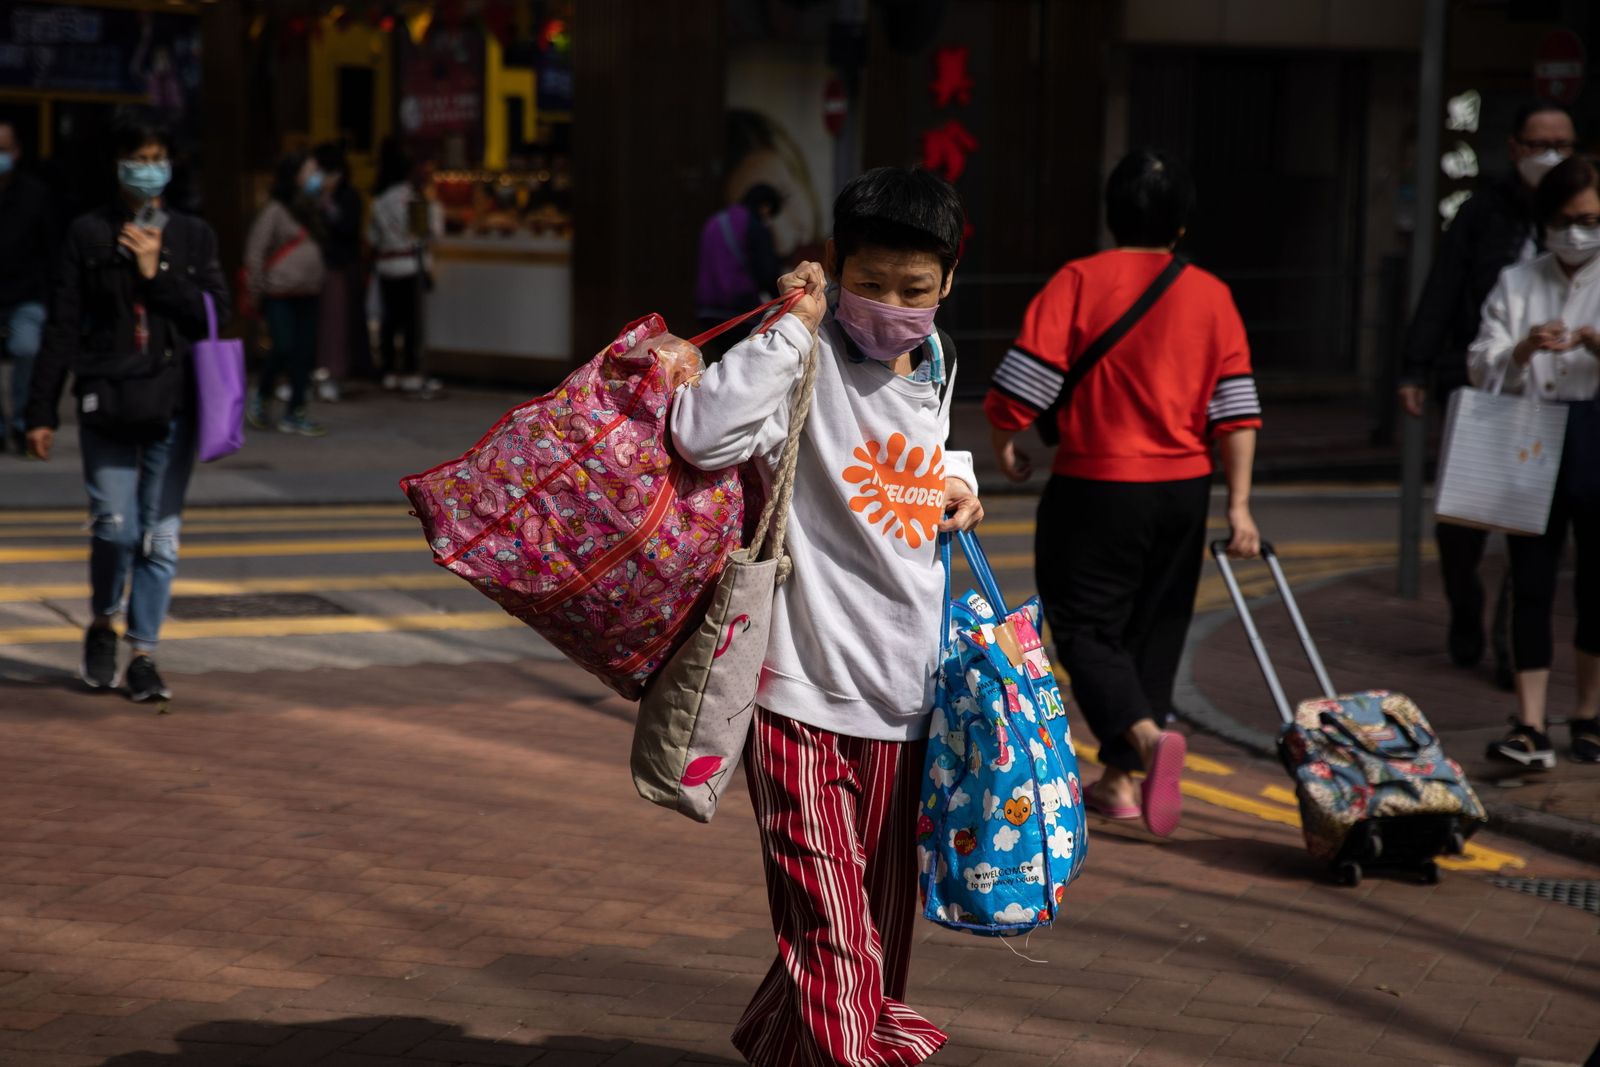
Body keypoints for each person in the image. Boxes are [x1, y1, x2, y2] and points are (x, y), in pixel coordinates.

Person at [671, 166, 982, 1065]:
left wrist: (958, 479)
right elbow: (701, 433)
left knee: (869, 952)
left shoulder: (940, 358)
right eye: (871, 281)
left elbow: (930, 445)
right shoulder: (800, 348)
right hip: (796, 692)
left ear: (948, 282)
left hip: (906, 698)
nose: (891, 304)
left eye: (915, 289)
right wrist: (792, 326)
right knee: (838, 940)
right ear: (836, 265)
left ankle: (786, 1045)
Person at [984, 148, 1262, 838]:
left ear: (1111, 215)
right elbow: (1237, 409)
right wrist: (1240, 505)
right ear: (1182, 226)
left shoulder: (1081, 278)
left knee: (1083, 627)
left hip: (1096, 484)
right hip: (1185, 488)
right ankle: (1121, 782)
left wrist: (1004, 442)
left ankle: (1142, 736)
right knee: (1155, 628)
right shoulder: (1214, 295)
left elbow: (1021, 386)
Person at [24, 108, 228, 703]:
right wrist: (40, 411)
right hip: (107, 398)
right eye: (135, 160)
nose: (148, 170)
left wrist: (156, 269)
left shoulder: (193, 236)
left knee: (159, 538)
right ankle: (102, 620)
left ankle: (144, 653)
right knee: (116, 529)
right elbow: (61, 326)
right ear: (115, 166)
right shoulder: (86, 233)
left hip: (176, 404)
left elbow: (214, 314)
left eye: (156, 158)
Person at [1400, 102, 1577, 678]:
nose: (1551, 155)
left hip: (1558, 393)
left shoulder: (1584, 219)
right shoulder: (1483, 213)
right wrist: (1416, 367)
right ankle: (1466, 604)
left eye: (1564, 144)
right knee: (1463, 521)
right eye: (1540, 143)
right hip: (1483, 380)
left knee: (1535, 523)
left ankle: (1512, 642)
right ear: (1516, 148)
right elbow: (1444, 288)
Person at [1469, 154, 1600, 767]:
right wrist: (1521, 349)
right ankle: (1529, 723)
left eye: (1592, 219)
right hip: (1532, 432)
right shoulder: (1517, 281)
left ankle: (1589, 713)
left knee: (1597, 585)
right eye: (1569, 219)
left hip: (1595, 430)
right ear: (1546, 221)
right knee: (1531, 580)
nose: (1580, 231)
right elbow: (1480, 361)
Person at [245, 151, 329, 436]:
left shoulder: (313, 208)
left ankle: (296, 411)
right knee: (283, 346)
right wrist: (256, 292)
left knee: (304, 355)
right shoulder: (275, 210)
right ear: (295, 176)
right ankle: (262, 395)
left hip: (309, 292)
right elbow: (255, 252)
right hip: (278, 293)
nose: (316, 177)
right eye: (311, 171)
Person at [368, 139, 441, 396]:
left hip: (386, 264)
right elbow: (426, 234)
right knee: (411, 322)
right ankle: (410, 371)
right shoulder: (412, 198)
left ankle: (388, 371)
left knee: (389, 320)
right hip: (409, 264)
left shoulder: (377, 201)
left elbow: (372, 238)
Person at [0, 120, 55, 455]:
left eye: (3, 150)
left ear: (17, 152)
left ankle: (22, 422)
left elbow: (51, 249)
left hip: (26, 294)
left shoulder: (35, 195)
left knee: (26, 349)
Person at [694, 182, 784, 358]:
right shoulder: (753, 225)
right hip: (738, 313)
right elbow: (766, 273)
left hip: (706, 311)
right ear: (765, 207)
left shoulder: (715, 221)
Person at [311, 141, 365, 404]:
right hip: (315, 268)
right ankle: (315, 375)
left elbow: (346, 227)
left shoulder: (348, 197)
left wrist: (326, 201)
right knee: (319, 325)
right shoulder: (310, 198)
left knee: (336, 324)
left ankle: (333, 375)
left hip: (338, 266)